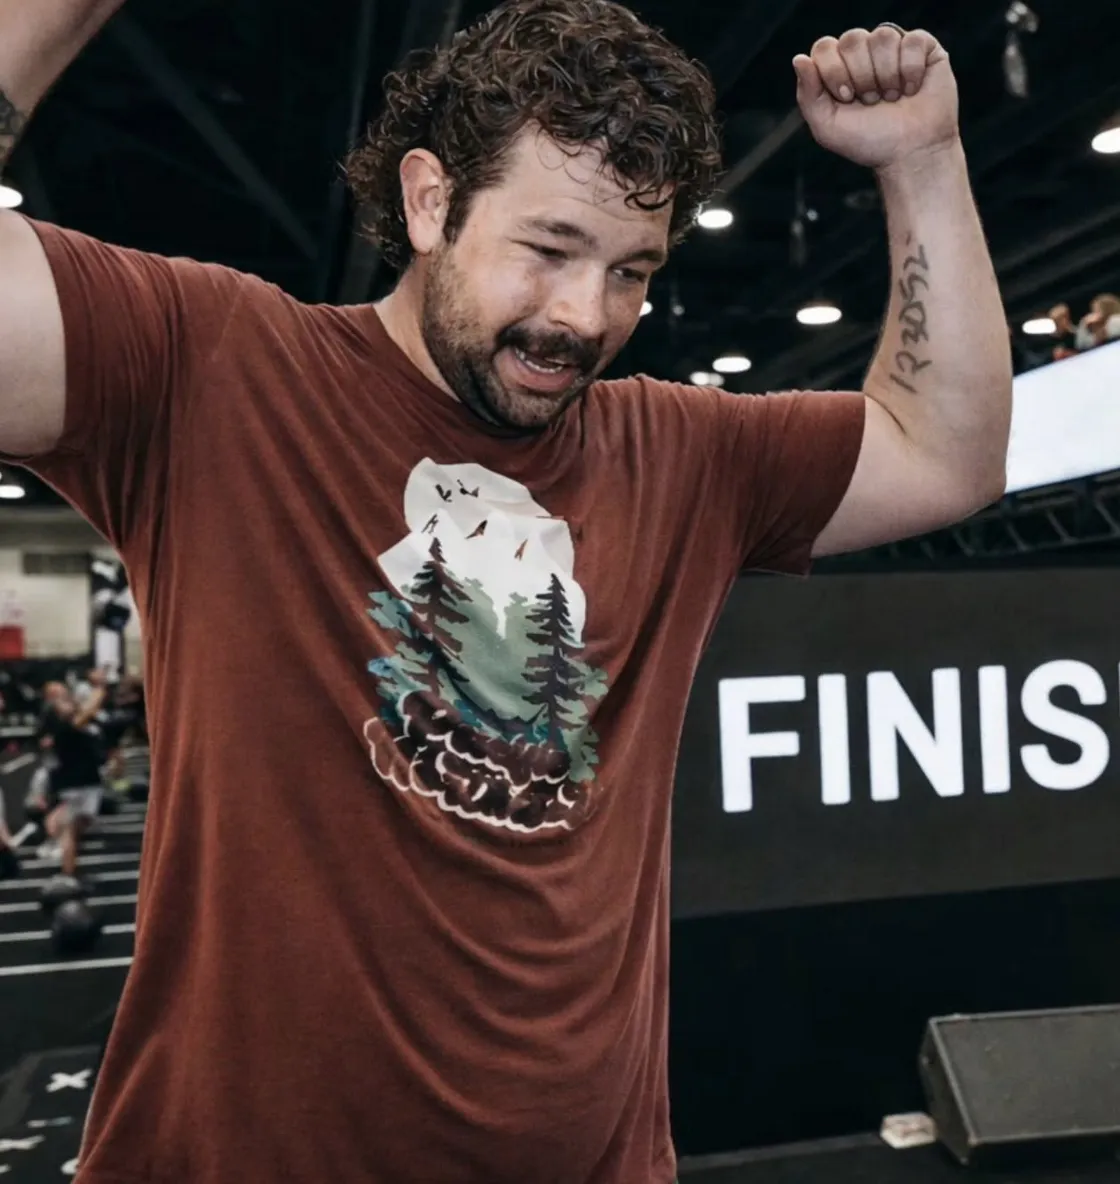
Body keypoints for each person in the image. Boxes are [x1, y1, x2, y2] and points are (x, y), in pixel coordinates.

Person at [0, 2, 1012, 1181]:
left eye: (630, 270)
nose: (584, 316)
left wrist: (922, 161)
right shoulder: (215, 367)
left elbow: (945, 454)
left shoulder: (678, 453)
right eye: (549, 247)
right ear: (430, 202)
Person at [36, 674, 107, 878]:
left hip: (88, 782)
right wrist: (100, 688)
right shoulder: (60, 724)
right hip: (73, 785)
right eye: (61, 699)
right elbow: (87, 711)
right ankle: (68, 873)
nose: (67, 700)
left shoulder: (78, 722)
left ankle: (58, 842)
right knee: (69, 829)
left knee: (78, 826)